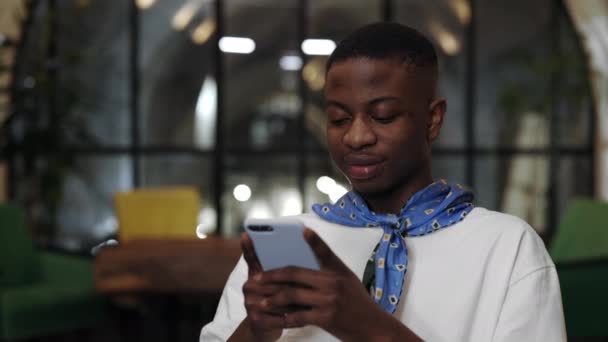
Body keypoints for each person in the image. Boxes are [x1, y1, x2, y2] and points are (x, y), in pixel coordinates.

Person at [200, 22, 566, 341]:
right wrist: (255, 331)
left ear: (432, 120)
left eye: (384, 116)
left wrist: (364, 325)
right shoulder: (286, 245)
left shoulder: (506, 247)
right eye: (339, 119)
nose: (356, 137)